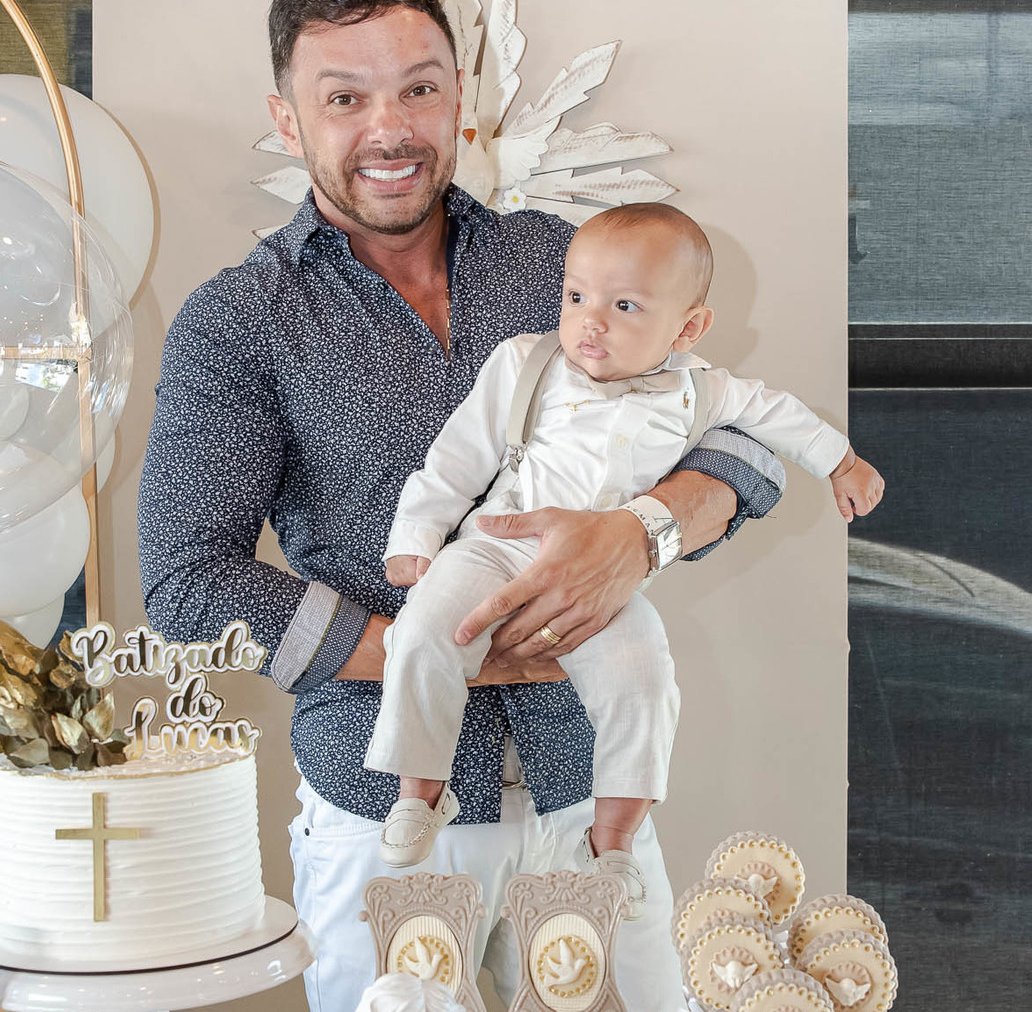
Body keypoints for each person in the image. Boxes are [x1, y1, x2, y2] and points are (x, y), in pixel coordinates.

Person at [139, 0, 786, 1012]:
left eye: (419, 88)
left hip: (582, 815)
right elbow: (189, 584)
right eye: (345, 96)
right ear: (287, 118)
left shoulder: (561, 263)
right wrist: (433, 652)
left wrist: (642, 534)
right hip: (394, 826)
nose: (389, 128)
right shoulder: (239, 321)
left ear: (459, 98)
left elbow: (741, 445)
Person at [368, 202, 884, 879]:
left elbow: (777, 420)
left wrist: (842, 462)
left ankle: (612, 840)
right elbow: (455, 459)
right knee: (424, 630)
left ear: (688, 328)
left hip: (607, 580)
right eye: (576, 297)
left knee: (646, 679)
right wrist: (417, 532)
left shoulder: (702, 391)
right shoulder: (526, 363)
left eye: (625, 306)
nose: (591, 321)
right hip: (497, 544)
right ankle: (419, 795)